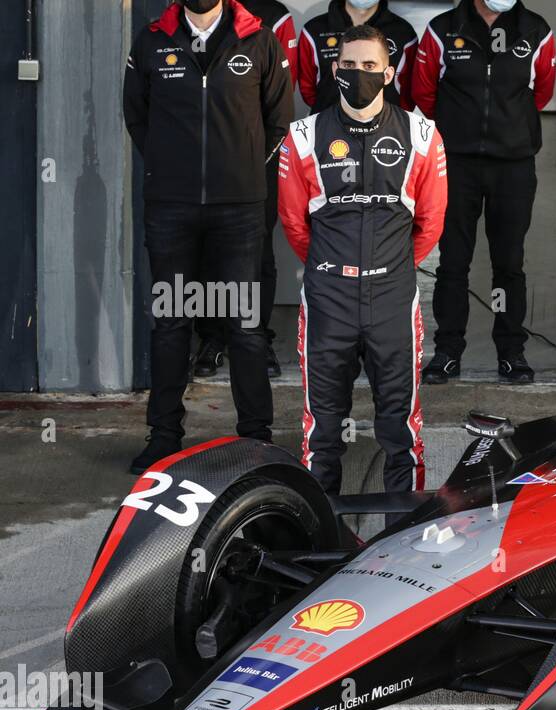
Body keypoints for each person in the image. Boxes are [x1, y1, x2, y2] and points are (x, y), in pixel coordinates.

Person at [122, 0, 292, 474]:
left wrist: (240, 173)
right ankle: (164, 437)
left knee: (244, 325)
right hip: (170, 209)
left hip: (238, 211)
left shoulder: (258, 39)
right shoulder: (152, 39)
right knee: (173, 320)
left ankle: (257, 439)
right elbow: (136, 115)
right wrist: (169, 165)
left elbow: (280, 118)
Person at [279, 24, 448, 494]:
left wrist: (387, 269)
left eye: (370, 66)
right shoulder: (303, 136)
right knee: (321, 432)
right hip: (328, 296)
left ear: (389, 72)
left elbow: (430, 223)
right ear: (334, 70)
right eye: (349, 65)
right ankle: (319, 536)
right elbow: (294, 223)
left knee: (402, 430)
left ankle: (404, 535)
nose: (359, 74)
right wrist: (334, 268)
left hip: (393, 297)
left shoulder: (422, 134)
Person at [413, 0, 556, 386]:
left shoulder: (536, 30)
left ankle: (511, 351)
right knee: (453, 262)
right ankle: (447, 350)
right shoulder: (443, 29)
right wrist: (457, 131)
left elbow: (540, 92)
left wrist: (510, 130)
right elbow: (424, 93)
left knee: (508, 263)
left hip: (514, 164)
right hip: (457, 164)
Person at [194, 0, 300, 380]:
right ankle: (212, 337)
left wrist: (258, 158)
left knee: (256, 254)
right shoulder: (189, 11)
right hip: (198, 166)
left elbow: (281, 97)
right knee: (205, 251)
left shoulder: (274, 16)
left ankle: (257, 338)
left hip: (256, 161)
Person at [300, 0, 418, 113]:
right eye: (348, 64)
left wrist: (395, 120)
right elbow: (307, 89)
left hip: (388, 127)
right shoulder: (313, 30)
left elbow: (410, 92)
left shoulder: (404, 33)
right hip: (326, 125)